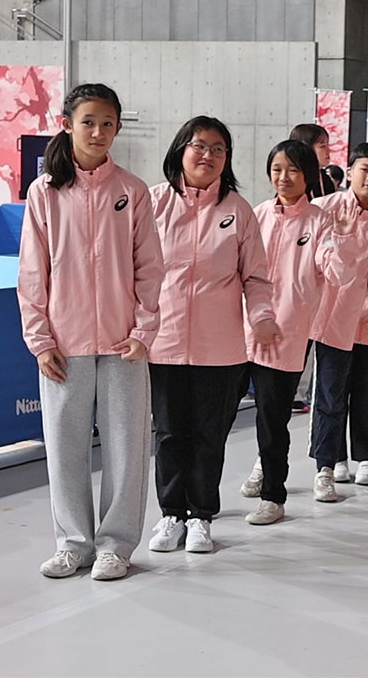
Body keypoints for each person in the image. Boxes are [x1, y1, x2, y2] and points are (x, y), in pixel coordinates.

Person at [17, 83, 164, 581]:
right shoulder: (44, 193)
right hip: (64, 344)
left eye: (107, 122)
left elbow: (150, 269)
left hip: (124, 345)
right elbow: (33, 274)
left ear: (118, 127)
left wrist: (144, 330)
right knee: (64, 448)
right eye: (88, 122)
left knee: (126, 449)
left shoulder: (133, 191)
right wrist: (40, 339)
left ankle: (116, 545)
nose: (98, 131)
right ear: (67, 124)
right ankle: (73, 543)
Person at [145, 117, 280, 554]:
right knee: (168, 433)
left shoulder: (237, 210)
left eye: (219, 149)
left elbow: (256, 278)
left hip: (220, 347)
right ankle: (170, 515)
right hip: (162, 342)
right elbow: (135, 273)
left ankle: (201, 516)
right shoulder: (154, 203)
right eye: (199, 146)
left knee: (208, 435)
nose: (208, 155)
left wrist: (262, 317)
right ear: (180, 150)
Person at [240, 140, 360, 525]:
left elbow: (339, 274)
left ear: (308, 174)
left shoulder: (320, 221)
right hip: (239, 332)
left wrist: (343, 238)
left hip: (286, 334)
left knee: (272, 421)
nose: (283, 177)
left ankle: (273, 496)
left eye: (293, 169)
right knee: (214, 420)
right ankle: (198, 502)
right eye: (276, 168)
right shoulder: (256, 214)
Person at [307, 142, 368, 502]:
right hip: (325, 317)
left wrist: (364, 303)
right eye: (364, 169)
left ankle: (367, 457)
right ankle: (326, 466)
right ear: (350, 171)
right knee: (328, 394)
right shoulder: (324, 209)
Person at [288, 123, 338, 414]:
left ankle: (302, 389)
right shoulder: (294, 182)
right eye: (323, 145)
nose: (328, 151)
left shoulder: (327, 182)